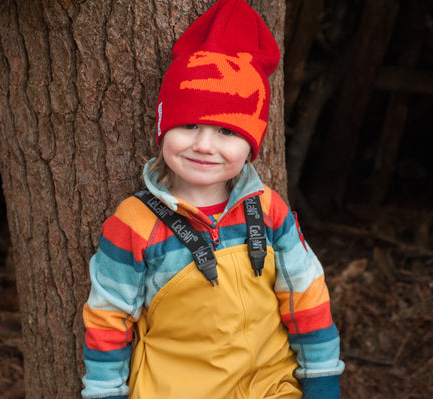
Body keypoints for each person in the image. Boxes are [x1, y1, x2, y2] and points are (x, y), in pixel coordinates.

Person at [81, 0, 345, 398]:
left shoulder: (269, 209)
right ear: (162, 127)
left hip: (272, 386)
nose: (205, 146)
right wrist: (105, 393)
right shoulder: (134, 223)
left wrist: (322, 379)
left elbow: (306, 294)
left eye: (226, 132)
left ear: (251, 143)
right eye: (188, 125)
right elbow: (108, 318)